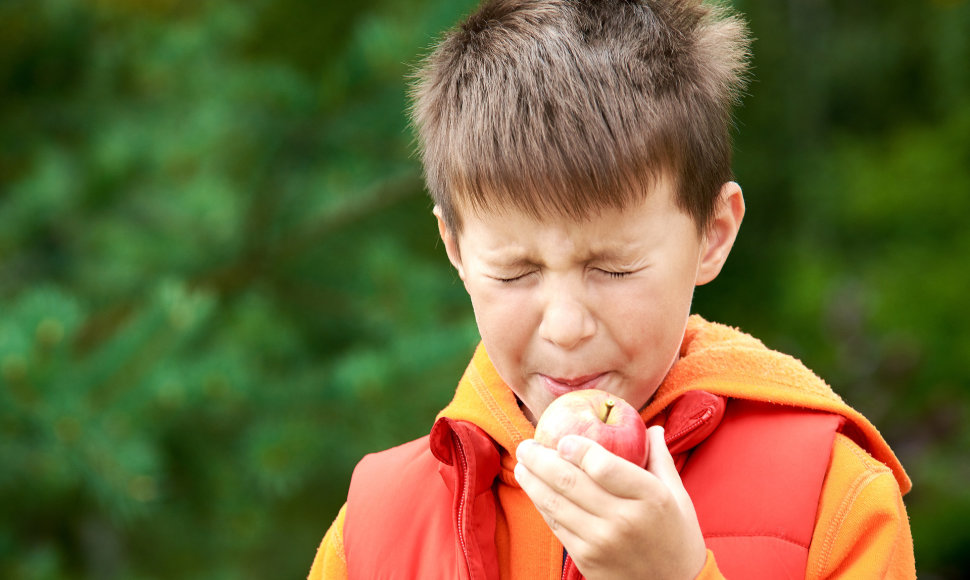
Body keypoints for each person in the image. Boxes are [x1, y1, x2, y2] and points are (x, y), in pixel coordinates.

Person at [308, 0, 916, 578]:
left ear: (712, 232)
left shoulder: (834, 498)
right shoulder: (374, 528)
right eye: (517, 272)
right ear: (456, 249)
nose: (566, 326)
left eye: (614, 269)